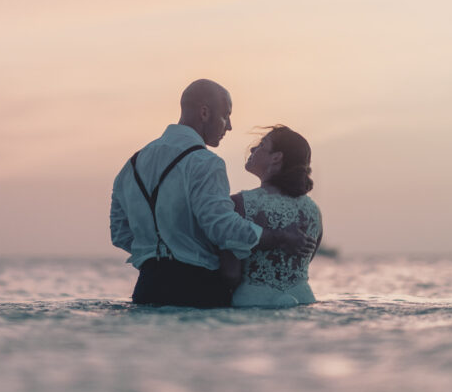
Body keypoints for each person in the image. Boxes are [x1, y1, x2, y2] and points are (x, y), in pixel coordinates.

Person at [110, 80, 317, 307]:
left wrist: (155, 253)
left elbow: (119, 233)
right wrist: (279, 237)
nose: (229, 126)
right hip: (197, 287)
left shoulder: (131, 165)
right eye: (226, 115)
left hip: (146, 289)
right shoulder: (205, 162)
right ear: (205, 113)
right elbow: (222, 228)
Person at [223, 125, 322, 308]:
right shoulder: (313, 211)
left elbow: (231, 274)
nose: (252, 149)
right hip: (303, 300)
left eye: (261, 144)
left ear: (276, 157)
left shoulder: (239, 204)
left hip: (253, 302)